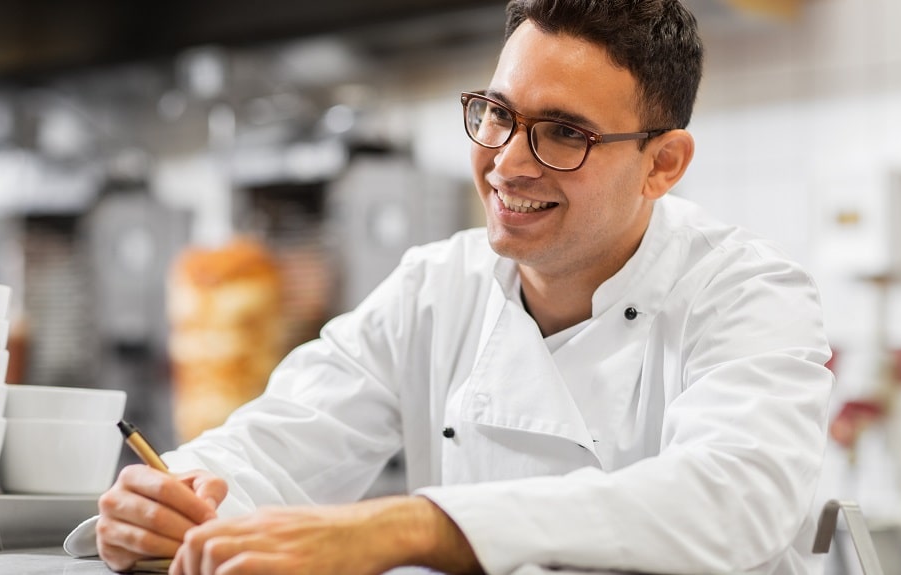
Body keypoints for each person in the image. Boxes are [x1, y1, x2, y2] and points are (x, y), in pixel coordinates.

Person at [90, 0, 834, 573]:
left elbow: (730, 498)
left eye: (565, 133)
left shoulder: (747, 295)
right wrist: (169, 497)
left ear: (663, 164)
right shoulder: (436, 287)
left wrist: (410, 525)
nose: (508, 162)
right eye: (498, 115)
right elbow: (278, 444)